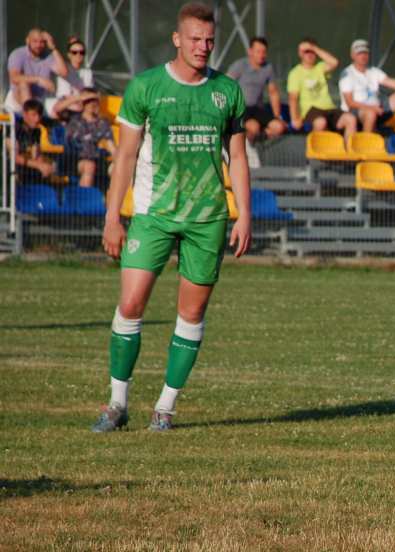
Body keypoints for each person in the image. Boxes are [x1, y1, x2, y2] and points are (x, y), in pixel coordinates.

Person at [92, 2, 251, 433]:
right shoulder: (146, 87)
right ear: (177, 39)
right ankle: (116, 404)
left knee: (191, 315)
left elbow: (236, 157)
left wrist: (244, 215)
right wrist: (113, 217)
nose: (203, 47)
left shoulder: (227, 92)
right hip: (153, 214)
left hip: (207, 218)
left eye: (210, 41)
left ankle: (165, 407)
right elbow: (124, 156)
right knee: (130, 304)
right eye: (195, 39)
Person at [286, 37, 356, 143]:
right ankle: (316, 150)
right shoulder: (295, 73)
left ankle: (349, 154)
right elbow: (293, 98)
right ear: (300, 54)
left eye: (312, 52)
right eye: (306, 52)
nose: (309, 54)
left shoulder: (320, 67)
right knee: (320, 122)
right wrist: (295, 118)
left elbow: (334, 62)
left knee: (351, 119)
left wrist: (314, 48)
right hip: (311, 111)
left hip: (329, 109)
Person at [226, 36, 287, 143]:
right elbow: (225, 85)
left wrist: (277, 116)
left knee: (279, 127)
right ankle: (248, 151)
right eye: (258, 51)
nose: (261, 55)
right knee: (254, 128)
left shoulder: (268, 68)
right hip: (241, 109)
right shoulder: (240, 65)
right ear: (250, 51)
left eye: (264, 52)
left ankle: (259, 138)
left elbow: (273, 93)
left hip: (258, 109)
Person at [5, 28, 68, 113]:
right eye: (35, 41)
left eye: (42, 42)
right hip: (18, 98)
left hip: (41, 99)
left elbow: (64, 72)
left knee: (64, 107)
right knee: (24, 84)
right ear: (27, 41)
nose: (38, 45)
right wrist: (38, 80)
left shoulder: (47, 56)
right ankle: (29, 117)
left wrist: (53, 48)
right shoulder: (18, 54)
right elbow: (14, 77)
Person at [65, 88, 115, 188]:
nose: (92, 104)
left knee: (119, 168)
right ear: (82, 102)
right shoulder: (74, 120)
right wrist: (80, 97)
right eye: (89, 101)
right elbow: (56, 109)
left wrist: (118, 162)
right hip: (74, 160)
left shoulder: (102, 123)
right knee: (89, 166)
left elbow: (112, 147)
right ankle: (82, 202)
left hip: (98, 160)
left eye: (95, 101)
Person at [50, 36, 95, 120]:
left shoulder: (87, 72)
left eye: (82, 52)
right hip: (66, 106)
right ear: (69, 54)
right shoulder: (63, 69)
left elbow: (88, 94)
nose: (78, 55)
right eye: (74, 52)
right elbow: (65, 97)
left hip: (81, 106)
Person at [12, 99, 55, 184]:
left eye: (39, 115)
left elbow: (36, 154)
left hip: (25, 167)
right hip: (8, 169)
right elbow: (14, 157)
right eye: (34, 115)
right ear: (24, 114)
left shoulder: (36, 131)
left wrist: (45, 164)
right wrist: (39, 165)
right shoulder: (14, 129)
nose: (37, 119)